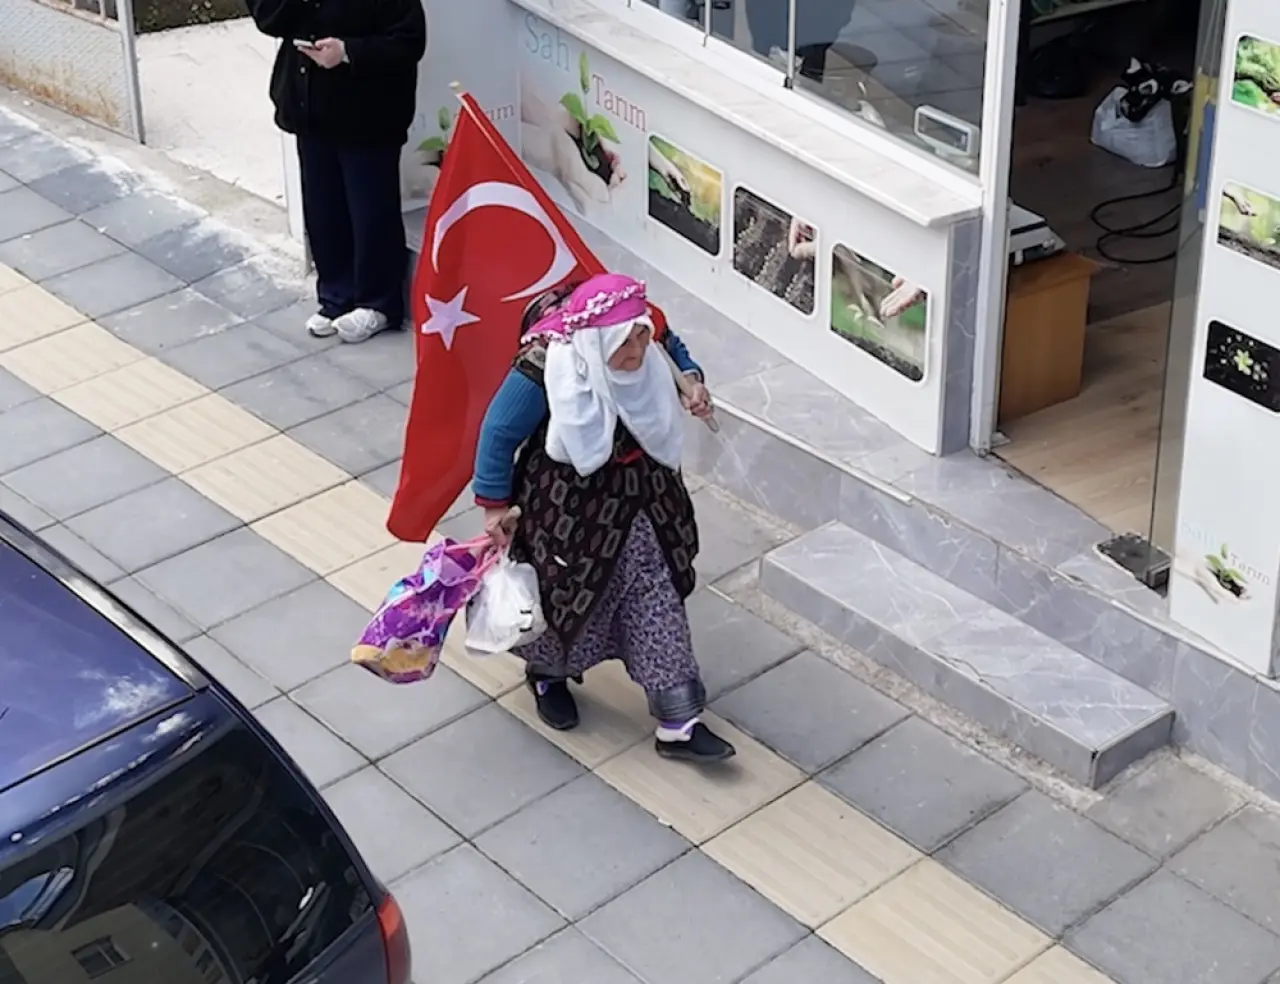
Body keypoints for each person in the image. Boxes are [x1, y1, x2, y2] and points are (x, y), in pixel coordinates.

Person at [472, 273, 735, 764]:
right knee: (567, 599)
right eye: (625, 340)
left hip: (645, 505)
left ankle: (678, 722)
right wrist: (493, 505)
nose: (638, 347)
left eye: (640, 334)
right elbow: (498, 431)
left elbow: (672, 349)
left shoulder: (649, 339)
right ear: (594, 342)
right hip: (567, 515)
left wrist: (692, 384)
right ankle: (547, 675)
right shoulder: (547, 365)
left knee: (656, 595)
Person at [246, 0, 427, 344]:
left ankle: (378, 303)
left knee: (370, 209)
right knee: (322, 206)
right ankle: (335, 296)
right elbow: (267, 17)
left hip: (368, 111)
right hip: (309, 106)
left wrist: (348, 52)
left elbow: (409, 41)